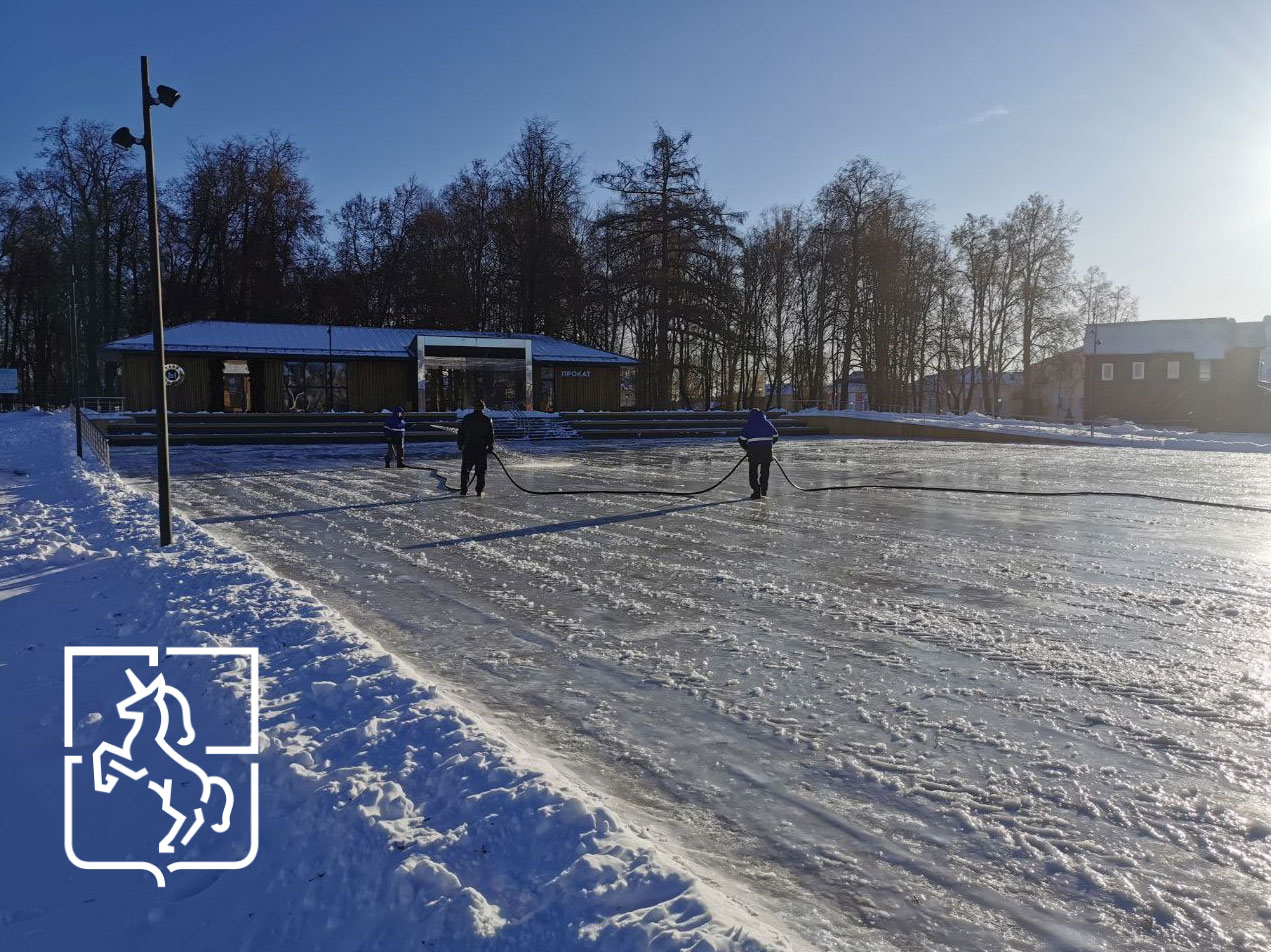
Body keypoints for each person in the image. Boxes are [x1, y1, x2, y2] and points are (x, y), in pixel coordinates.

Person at [737, 408, 778, 500]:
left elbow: (741, 439)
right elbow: (775, 436)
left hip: (754, 453)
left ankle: (756, 491)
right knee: (765, 472)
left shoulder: (749, 425)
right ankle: (764, 490)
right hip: (767, 452)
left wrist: (747, 449)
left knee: (753, 473)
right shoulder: (767, 423)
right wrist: (769, 445)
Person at [456, 399, 495, 496]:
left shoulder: (467, 418)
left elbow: (461, 433)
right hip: (481, 449)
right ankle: (479, 490)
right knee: (481, 471)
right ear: (483, 408)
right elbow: (490, 435)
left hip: (468, 448)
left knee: (465, 470)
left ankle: (463, 489)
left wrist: (460, 444)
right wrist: (490, 446)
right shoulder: (487, 420)